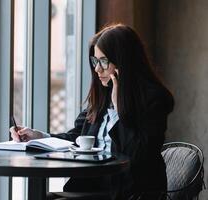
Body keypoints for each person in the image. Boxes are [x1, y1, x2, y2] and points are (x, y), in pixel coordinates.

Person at [10, 24, 174, 200]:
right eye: (95, 61)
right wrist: (39, 136)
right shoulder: (101, 98)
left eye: (104, 61)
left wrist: (120, 110)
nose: (97, 69)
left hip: (130, 192)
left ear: (123, 62)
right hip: (92, 186)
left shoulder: (154, 99)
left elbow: (139, 155)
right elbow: (77, 139)